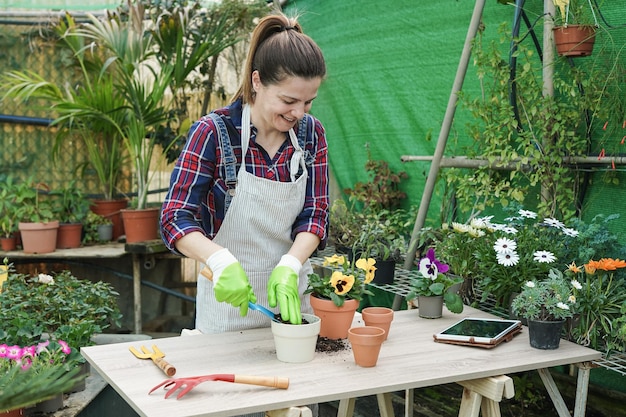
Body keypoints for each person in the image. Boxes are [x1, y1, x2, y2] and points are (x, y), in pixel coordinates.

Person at [160, 11, 329, 334]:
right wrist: (219, 260)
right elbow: (174, 217)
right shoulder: (213, 134)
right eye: (289, 100)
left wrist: (291, 264)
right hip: (227, 311)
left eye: (308, 103)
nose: (299, 113)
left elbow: (315, 212)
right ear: (256, 81)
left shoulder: (311, 135)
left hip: (292, 302)